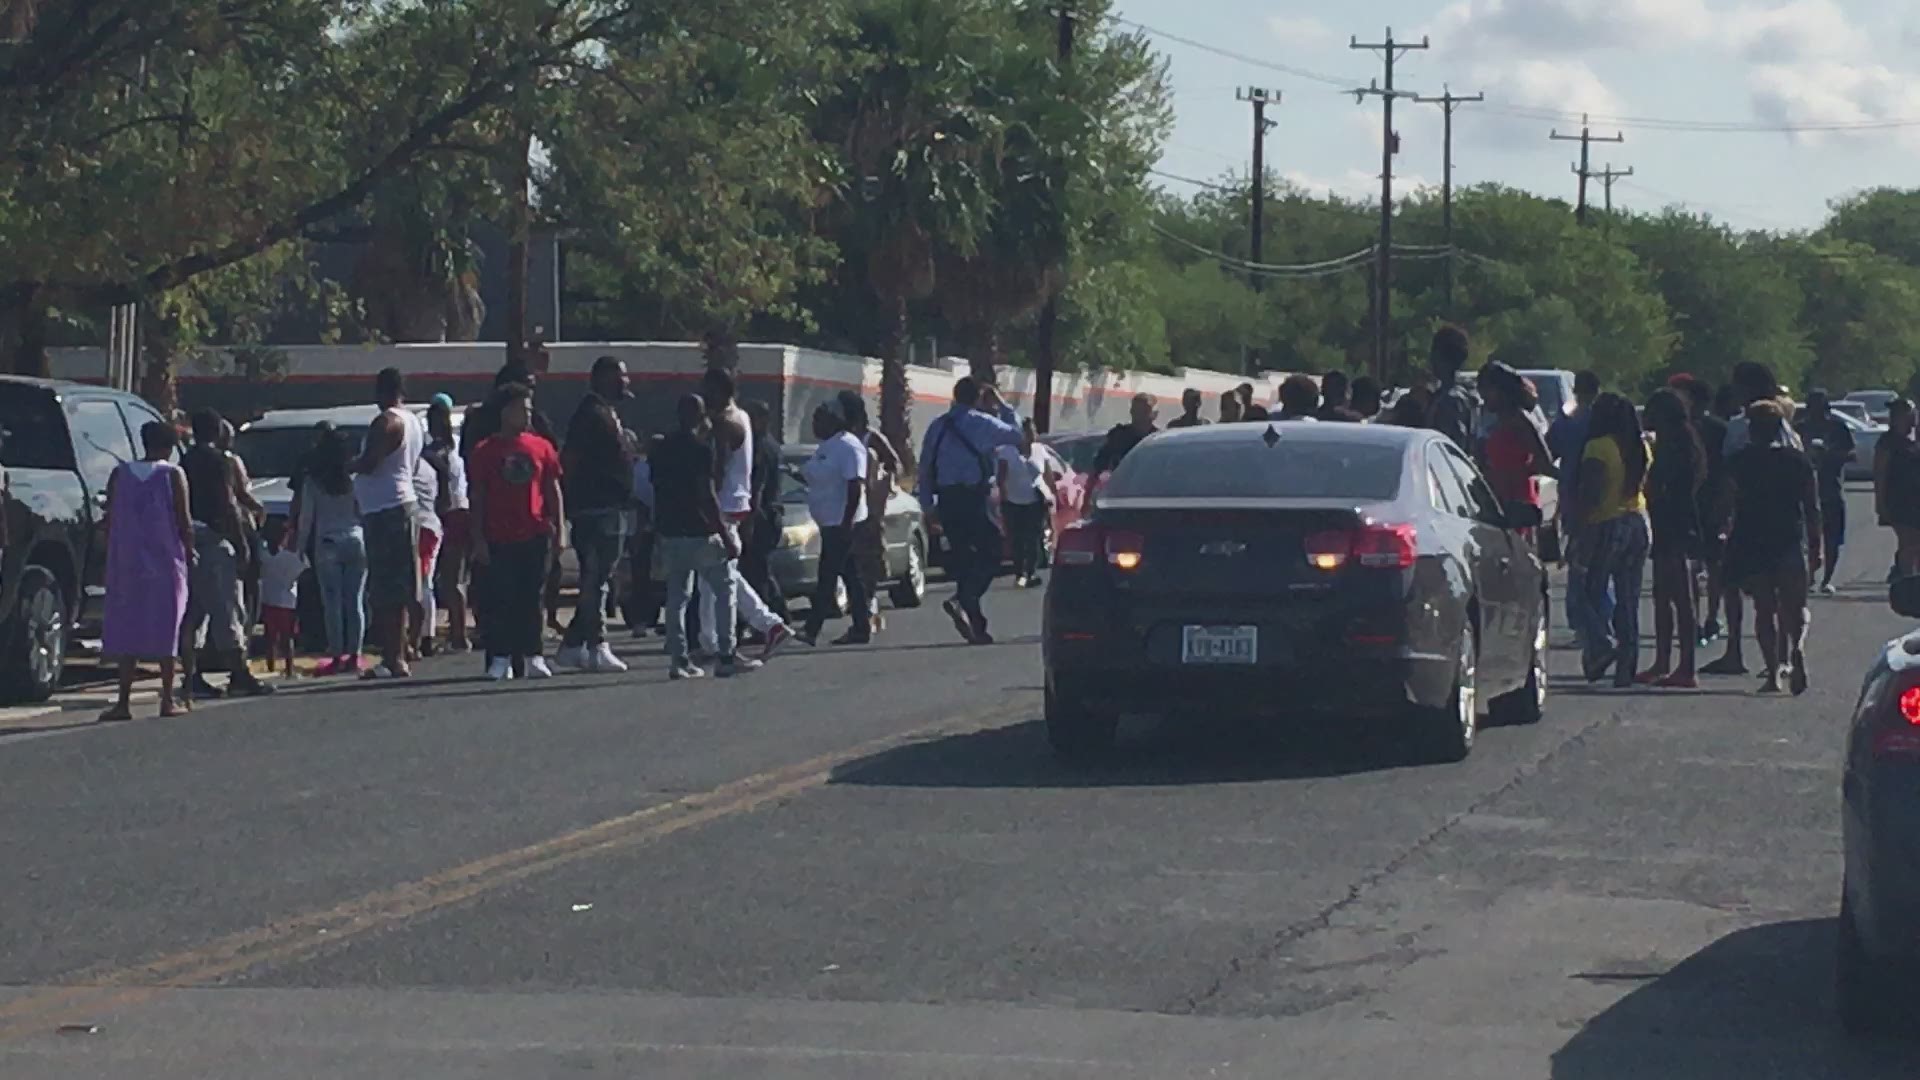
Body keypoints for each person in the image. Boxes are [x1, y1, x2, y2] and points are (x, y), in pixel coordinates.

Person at [1720, 401, 1821, 695]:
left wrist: (1722, 530)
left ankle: (1774, 674)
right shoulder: (1798, 461)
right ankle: (1797, 649)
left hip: (1752, 540)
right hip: (1789, 539)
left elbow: (1727, 502)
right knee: (1795, 607)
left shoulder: (1739, 462)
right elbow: (1812, 507)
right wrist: (1816, 546)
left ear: (1752, 429)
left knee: (1764, 609)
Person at [1703, 362, 1797, 676]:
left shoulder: (1743, 426)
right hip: (1783, 517)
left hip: (1749, 515)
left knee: (1736, 585)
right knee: (1778, 593)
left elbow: (1730, 472)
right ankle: (1781, 655)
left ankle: (1735, 650)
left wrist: (1723, 516)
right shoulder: (1786, 427)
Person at [468, 383, 564, 681]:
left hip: (534, 533)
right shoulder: (485, 451)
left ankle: (533, 654)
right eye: (521, 409)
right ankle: (500, 657)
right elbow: (478, 496)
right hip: (498, 535)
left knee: (531, 598)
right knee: (501, 600)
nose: (527, 415)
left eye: (529, 409)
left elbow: (552, 488)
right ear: (505, 412)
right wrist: (478, 538)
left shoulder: (541, 447)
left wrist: (559, 529)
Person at [696, 370, 794, 662]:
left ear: (720, 390)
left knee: (721, 573)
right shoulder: (740, 417)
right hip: (736, 501)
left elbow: (717, 467)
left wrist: (705, 500)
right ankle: (711, 639)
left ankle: (769, 624)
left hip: (724, 503)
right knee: (711, 575)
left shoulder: (726, 423)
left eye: (708, 389)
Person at [918, 377, 1023, 645]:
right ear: (978, 397)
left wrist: (928, 505)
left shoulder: (937, 426)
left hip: (948, 500)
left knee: (964, 559)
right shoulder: (982, 422)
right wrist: (1001, 404)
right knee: (994, 551)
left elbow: (925, 467)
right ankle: (965, 599)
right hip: (973, 498)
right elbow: (1017, 434)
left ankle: (976, 624)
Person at [99, 421, 193, 721]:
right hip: (165, 561)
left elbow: (110, 515)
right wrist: (189, 551)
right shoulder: (172, 474)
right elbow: (184, 519)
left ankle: (123, 701)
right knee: (168, 629)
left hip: (126, 562)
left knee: (128, 629)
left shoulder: (120, 474)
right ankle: (167, 698)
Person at [653, 393, 748, 678]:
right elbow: (706, 494)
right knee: (724, 589)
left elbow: (656, 488)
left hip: (671, 529)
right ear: (700, 416)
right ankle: (726, 653)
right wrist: (725, 534)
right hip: (699, 529)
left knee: (676, 596)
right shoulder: (701, 449)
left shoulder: (661, 448)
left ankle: (678, 659)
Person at [181, 410, 273, 701]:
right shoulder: (219, 461)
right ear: (217, 431)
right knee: (228, 607)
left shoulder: (185, 460)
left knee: (194, 611)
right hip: (214, 537)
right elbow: (228, 502)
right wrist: (242, 543)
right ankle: (239, 673)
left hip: (190, 538)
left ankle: (190, 675)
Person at [553, 356, 635, 674]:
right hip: (594, 509)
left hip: (612, 508)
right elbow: (569, 461)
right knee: (595, 578)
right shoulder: (589, 415)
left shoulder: (607, 414)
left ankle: (573, 645)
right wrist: (568, 506)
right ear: (601, 378)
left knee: (600, 578)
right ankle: (596, 644)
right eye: (620, 376)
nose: (625, 382)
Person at [351, 367, 424, 680]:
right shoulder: (414, 421)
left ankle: (393, 656)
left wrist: (343, 465)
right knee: (401, 582)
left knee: (385, 587)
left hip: (386, 509)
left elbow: (370, 463)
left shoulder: (388, 422)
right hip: (398, 504)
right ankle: (402, 649)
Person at [1573, 393, 1650, 688]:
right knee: (1628, 598)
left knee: (1588, 591)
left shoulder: (1598, 447)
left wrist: (1579, 533)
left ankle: (1602, 646)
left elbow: (1590, 493)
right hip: (1639, 520)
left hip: (1606, 522)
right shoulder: (1638, 447)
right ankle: (1626, 667)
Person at [1639, 388, 1706, 687]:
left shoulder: (1681, 446)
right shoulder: (1673, 442)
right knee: (1662, 595)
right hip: (1667, 522)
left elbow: (1676, 487)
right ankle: (1663, 661)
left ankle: (1687, 667)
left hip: (1677, 523)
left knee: (1682, 595)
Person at [799, 400, 873, 646]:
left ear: (834, 420)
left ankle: (812, 629)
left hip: (843, 522)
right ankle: (862, 626)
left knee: (827, 575)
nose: (815, 424)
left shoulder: (849, 446)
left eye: (819, 419)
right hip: (828, 522)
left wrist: (846, 522)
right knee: (852, 576)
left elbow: (855, 486)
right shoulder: (825, 447)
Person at [296, 427, 367, 676]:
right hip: (356, 539)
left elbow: (306, 518)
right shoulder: (355, 479)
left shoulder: (314, 481)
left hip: (327, 542)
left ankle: (337, 653)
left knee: (332, 603)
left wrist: (299, 547)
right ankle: (355, 653)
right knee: (355, 601)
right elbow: (363, 511)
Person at [1548, 371, 1608, 647]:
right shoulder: (1606, 421)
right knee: (1603, 565)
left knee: (1579, 562)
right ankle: (1604, 618)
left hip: (1575, 496)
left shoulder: (1570, 423)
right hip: (1608, 498)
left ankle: (1585, 625)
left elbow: (1550, 450)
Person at [839, 391, 900, 634]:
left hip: (867, 510)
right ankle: (866, 613)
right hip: (845, 509)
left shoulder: (869, 438)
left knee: (867, 561)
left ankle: (869, 609)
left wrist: (883, 487)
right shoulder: (841, 438)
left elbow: (895, 462)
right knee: (852, 564)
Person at [1679, 377, 1729, 643]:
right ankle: (1697, 618)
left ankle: (1711, 616)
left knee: (1713, 564)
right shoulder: (1681, 428)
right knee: (1693, 565)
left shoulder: (1717, 429)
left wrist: (1724, 509)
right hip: (1690, 504)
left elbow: (1724, 471)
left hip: (1711, 502)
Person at [1795, 389, 1856, 596]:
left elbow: (1851, 453)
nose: (1817, 412)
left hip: (1831, 489)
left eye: (1821, 408)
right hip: (1803, 491)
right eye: (1813, 407)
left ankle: (1827, 579)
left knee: (1832, 538)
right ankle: (1810, 577)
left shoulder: (1838, 428)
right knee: (1807, 538)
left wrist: (1832, 455)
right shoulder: (1800, 429)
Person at [426, 397, 471, 652]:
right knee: (456, 579)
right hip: (462, 511)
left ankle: (457, 635)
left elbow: (442, 479)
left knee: (447, 580)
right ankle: (458, 632)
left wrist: (440, 503)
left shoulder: (437, 452)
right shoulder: (455, 451)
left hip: (448, 514)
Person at [998, 418, 1061, 588]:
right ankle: (1020, 572)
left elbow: (1048, 475)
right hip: (1013, 501)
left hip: (1035, 500)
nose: (1033, 435)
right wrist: (1002, 500)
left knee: (1034, 537)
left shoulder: (1040, 450)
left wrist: (1054, 495)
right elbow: (1001, 478)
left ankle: (1031, 572)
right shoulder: (1007, 452)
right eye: (1029, 431)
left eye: (1034, 431)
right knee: (1017, 539)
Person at [258, 518, 306, 681]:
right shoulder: (292, 557)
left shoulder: (263, 554)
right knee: (288, 638)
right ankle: (289, 669)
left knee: (270, 637)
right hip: (287, 603)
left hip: (268, 599)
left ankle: (270, 665)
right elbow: (304, 569)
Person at [1877, 399, 1920, 577]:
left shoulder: (1913, 440)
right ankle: (1906, 578)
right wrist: (1880, 504)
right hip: (1898, 500)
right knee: (1908, 542)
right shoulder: (1887, 441)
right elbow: (1879, 473)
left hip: (1915, 499)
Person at [1425, 325, 1478, 454]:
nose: (1431, 361)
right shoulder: (1468, 393)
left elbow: (1454, 446)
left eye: (1434, 354)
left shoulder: (1451, 400)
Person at [1094, 394, 1157, 474]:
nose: (1138, 415)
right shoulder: (1118, 436)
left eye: (1144, 411)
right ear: (1131, 411)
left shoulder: (1158, 440)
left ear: (1155, 414)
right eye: (1136, 410)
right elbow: (1100, 463)